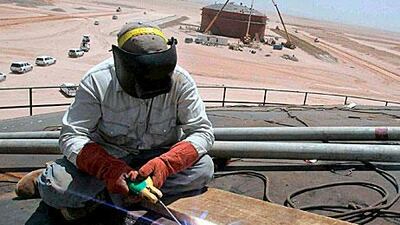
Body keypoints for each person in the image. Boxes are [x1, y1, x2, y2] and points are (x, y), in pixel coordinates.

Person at [15, 21, 215, 221]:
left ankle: (103, 197)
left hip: (155, 157)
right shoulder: (97, 80)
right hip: (108, 155)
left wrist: (166, 164)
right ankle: (53, 179)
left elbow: (202, 132)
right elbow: (72, 135)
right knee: (57, 189)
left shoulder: (181, 81)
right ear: (121, 63)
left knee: (204, 169)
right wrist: (107, 169)